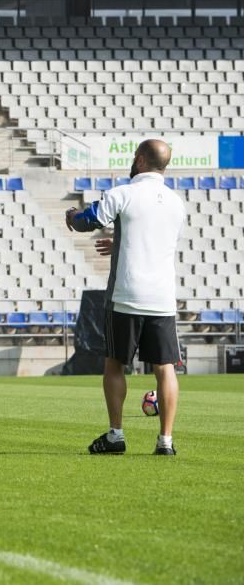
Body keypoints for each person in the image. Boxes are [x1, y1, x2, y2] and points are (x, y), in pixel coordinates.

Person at [65, 139, 186, 456]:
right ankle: (166, 442)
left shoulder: (123, 193)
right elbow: (150, 236)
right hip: (162, 298)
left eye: (136, 156)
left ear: (143, 160)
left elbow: (85, 222)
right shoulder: (177, 203)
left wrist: (71, 214)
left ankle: (116, 435)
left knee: (115, 364)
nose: (133, 161)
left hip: (126, 295)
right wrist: (120, 242)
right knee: (165, 368)